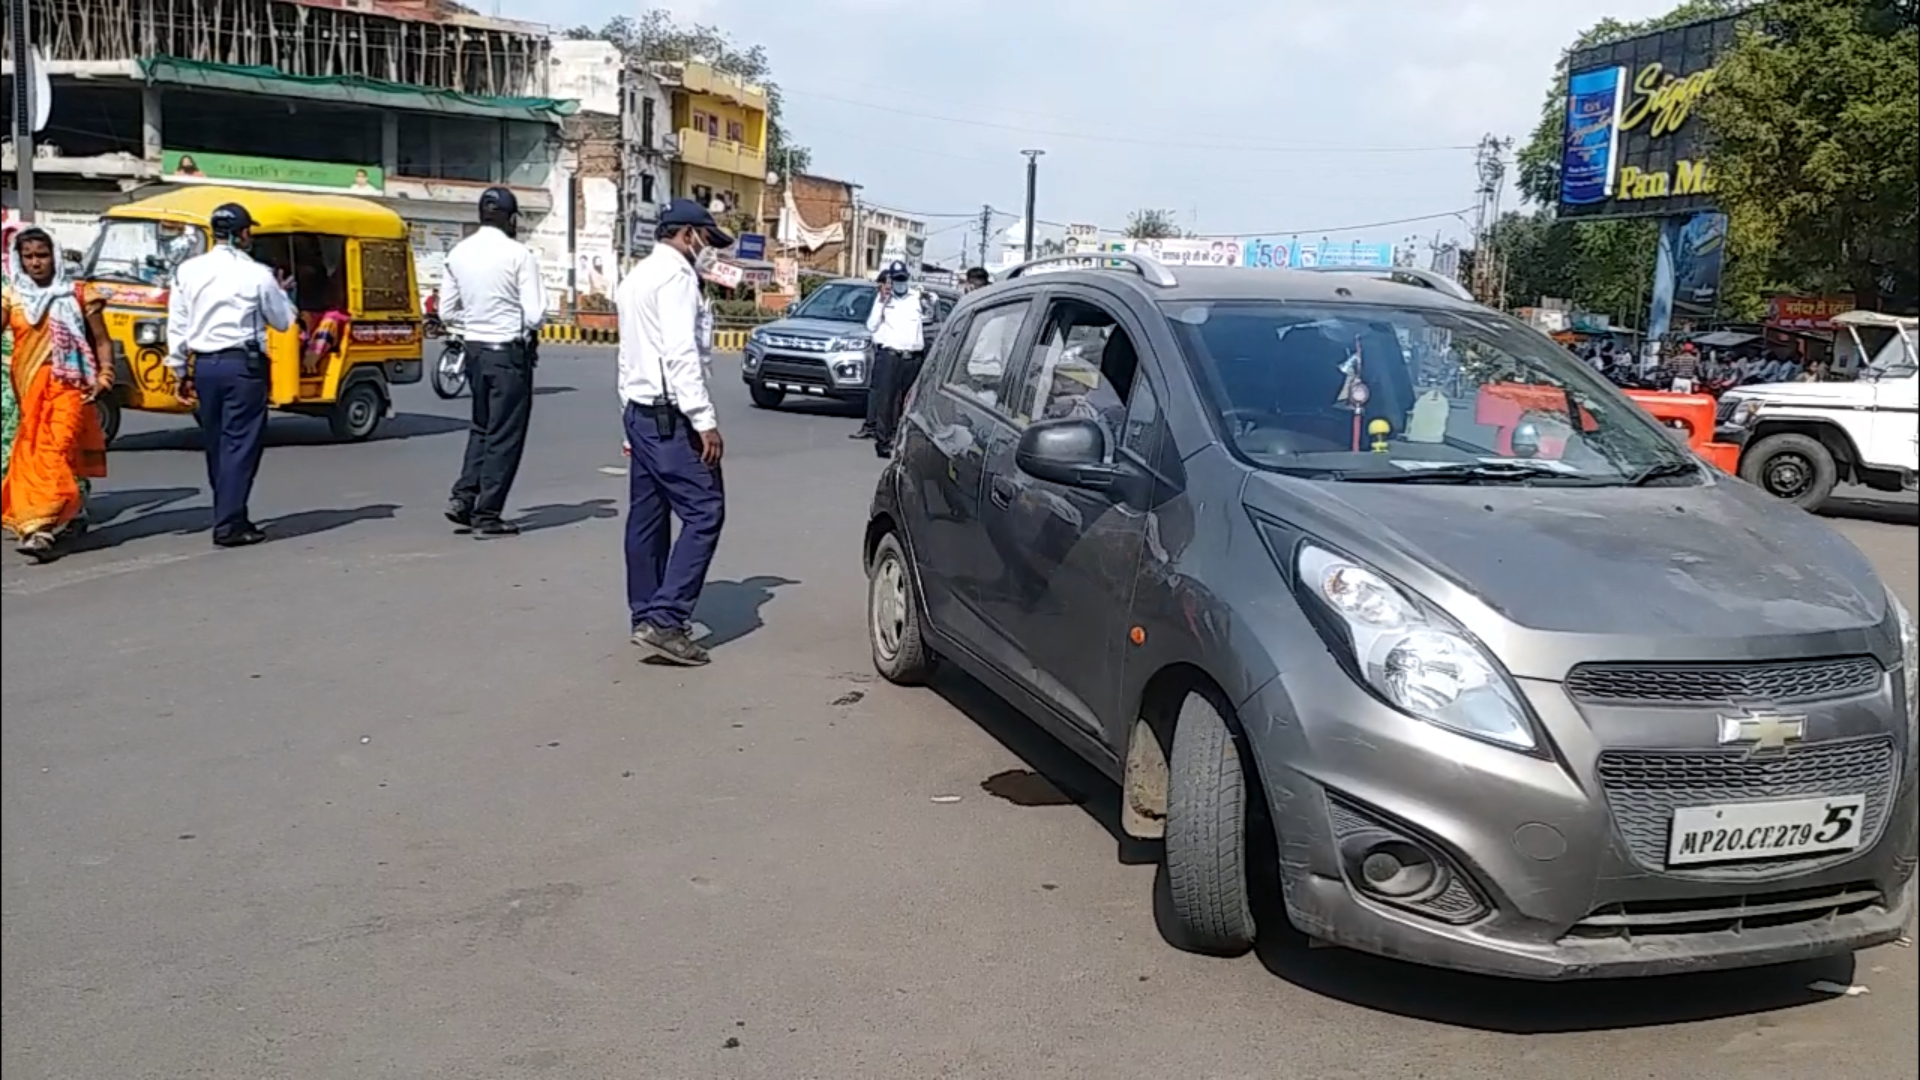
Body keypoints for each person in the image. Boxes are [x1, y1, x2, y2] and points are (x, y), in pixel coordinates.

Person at [615, 198, 730, 666]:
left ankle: (645, 612)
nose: (711, 252)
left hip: (641, 411)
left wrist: (628, 417)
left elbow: (627, 354)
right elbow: (681, 354)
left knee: (647, 515)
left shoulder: (637, 276)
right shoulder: (678, 278)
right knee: (705, 511)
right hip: (671, 416)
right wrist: (704, 421)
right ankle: (666, 621)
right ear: (688, 236)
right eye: (708, 241)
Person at [165, 203, 297, 548]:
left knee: (217, 443)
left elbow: (177, 325)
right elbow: (283, 321)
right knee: (241, 444)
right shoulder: (257, 274)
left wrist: (179, 369)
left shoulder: (188, 270)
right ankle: (229, 524)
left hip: (204, 365)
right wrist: (283, 291)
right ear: (243, 234)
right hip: (243, 366)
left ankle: (230, 512)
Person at [1, 228, 115, 561]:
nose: (36, 263)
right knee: (32, 452)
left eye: (42, 255)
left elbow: (103, 341)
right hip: (27, 387)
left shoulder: (79, 294)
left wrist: (106, 376)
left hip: (70, 387)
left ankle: (40, 529)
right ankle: (60, 514)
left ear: (56, 256)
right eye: (29, 256)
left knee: (55, 450)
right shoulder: (13, 296)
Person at [440, 186, 546, 537]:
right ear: (511, 218)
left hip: (474, 351)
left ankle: (463, 497)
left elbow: (446, 310)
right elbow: (535, 315)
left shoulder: (458, 253)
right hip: (507, 353)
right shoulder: (519, 255)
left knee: (481, 428)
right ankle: (488, 513)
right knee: (505, 434)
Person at [862, 260, 930, 458]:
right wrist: (882, 300)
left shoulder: (917, 297)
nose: (899, 283)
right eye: (896, 279)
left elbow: (930, 317)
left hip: (913, 357)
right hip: (891, 356)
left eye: (903, 279)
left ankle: (903, 440)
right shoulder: (883, 300)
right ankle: (883, 441)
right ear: (889, 280)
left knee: (909, 402)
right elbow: (871, 326)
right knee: (886, 400)